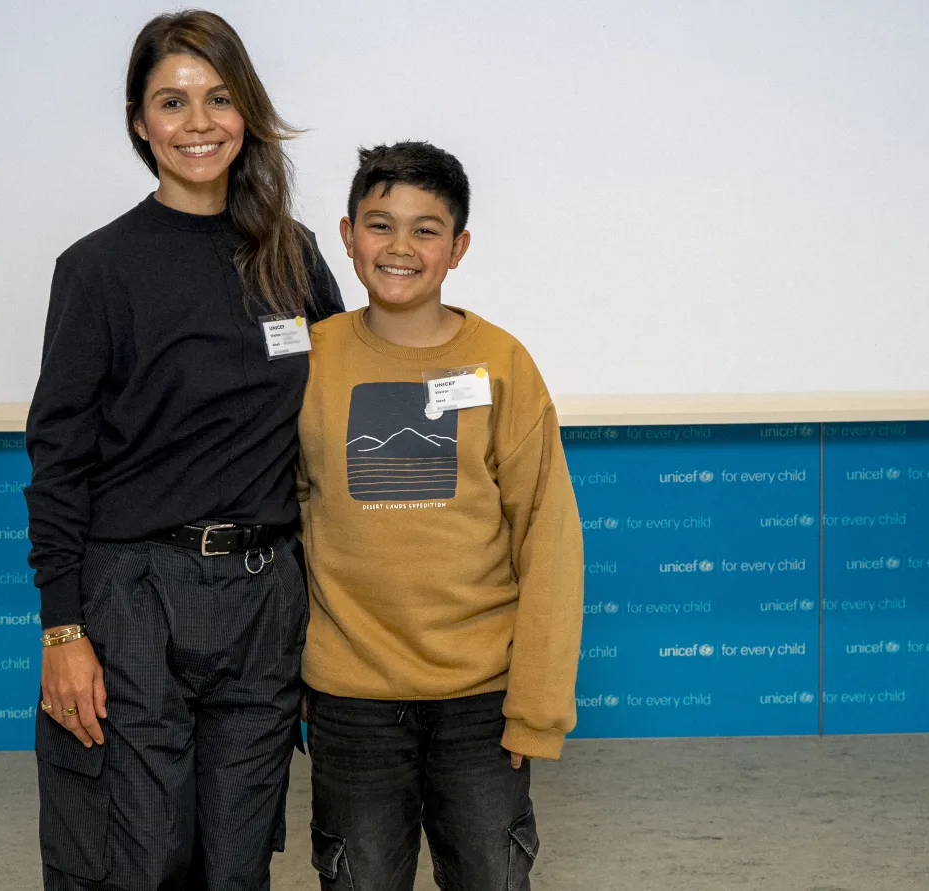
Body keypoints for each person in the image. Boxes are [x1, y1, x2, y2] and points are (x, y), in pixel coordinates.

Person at [22, 10, 343, 890]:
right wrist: (63, 627)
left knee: (237, 868)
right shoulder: (98, 269)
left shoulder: (294, 258)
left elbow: (328, 437)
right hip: (134, 596)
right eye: (172, 100)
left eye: (219, 97)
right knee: (139, 861)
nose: (198, 122)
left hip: (265, 596)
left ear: (248, 112)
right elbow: (59, 460)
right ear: (140, 121)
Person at [297, 141, 584, 890]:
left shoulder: (502, 361)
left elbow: (548, 537)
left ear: (457, 248)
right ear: (346, 235)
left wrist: (536, 708)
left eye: (426, 229)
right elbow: (284, 519)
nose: (400, 246)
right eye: (380, 224)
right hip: (350, 702)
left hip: (482, 704)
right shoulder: (307, 359)